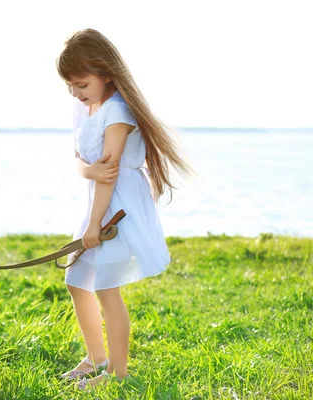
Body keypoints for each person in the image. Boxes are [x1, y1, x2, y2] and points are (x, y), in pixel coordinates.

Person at [57, 28, 193, 390]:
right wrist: (86, 170)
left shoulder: (117, 112)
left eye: (81, 84)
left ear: (105, 73)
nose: (75, 92)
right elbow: (81, 160)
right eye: (70, 85)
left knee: (106, 288)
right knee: (76, 281)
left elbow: (110, 175)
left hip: (116, 207)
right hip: (97, 202)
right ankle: (95, 357)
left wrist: (93, 226)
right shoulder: (88, 106)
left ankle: (117, 374)